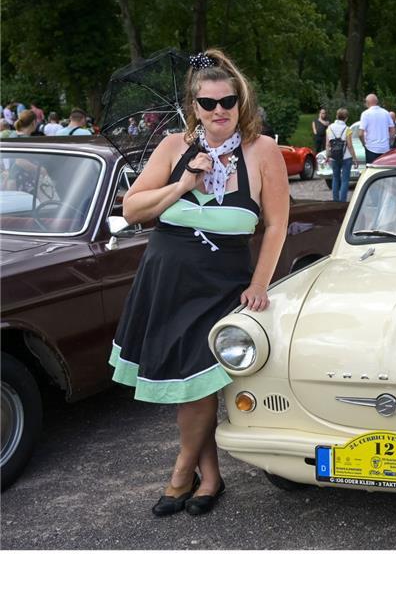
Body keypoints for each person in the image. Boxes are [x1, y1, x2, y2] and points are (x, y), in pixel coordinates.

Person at [109, 48, 290, 518]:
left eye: (227, 102)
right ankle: (209, 477)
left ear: (241, 102)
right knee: (193, 386)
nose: (219, 112)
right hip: (167, 280)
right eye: (208, 104)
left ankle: (180, 473)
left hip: (224, 286)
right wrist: (184, 183)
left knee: (197, 378)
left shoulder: (264, 151)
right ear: (195, 107)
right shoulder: (174, 147)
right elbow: (132, 209)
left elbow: (275, 225)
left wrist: (260, 282)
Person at [325, 107, 356, 202]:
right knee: (345, 180)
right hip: (346, 157)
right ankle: (342, 201)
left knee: (335, 178)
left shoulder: (329, 128)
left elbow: (327, 144)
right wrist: (355, 158)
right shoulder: (347, 129)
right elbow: (350, 145)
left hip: (334, 157)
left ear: (336, 116)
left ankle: (335, 200)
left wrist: (327, 156)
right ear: (346, 118)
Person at [359, 93, 395, 164]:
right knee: (384, 170)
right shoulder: (385, 113)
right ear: (377, 102)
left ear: (367, 103)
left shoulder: (365, 114)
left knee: (371, 171)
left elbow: (360, 134)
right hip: (385, 148)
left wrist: (364, 144)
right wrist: (389, 142)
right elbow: (392, 130)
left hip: (371, 148)